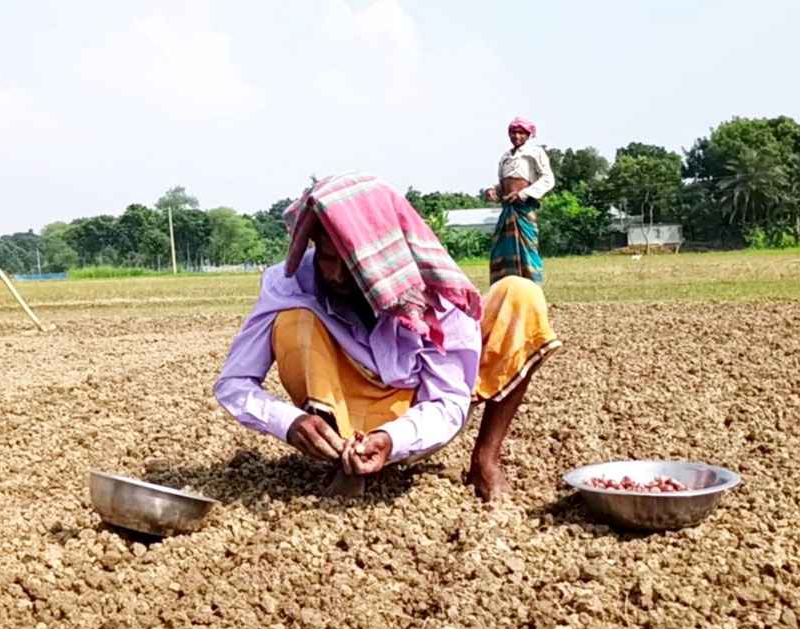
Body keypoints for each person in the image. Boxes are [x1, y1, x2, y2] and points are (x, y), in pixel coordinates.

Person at [214, 173, 562, 501]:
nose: (333, 274)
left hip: (422, 400)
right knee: (294, 320)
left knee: (520, 295)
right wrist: (289, 422)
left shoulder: (431, 288)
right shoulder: (289, 283)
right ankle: (346, 459)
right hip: (346, 395)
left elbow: (447, 401)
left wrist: (392, 439)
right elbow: (234, 382)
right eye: (325, 257)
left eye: (348, 264)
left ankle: (485, 460)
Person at [484, 116, 555, 284]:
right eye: (513, 132)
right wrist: (493, 191)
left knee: (527, 251)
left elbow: (548, 179)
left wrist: (523, 194)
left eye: (521, 133)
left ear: (528, 135)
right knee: (501, 252)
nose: (516, 136)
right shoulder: (505, 157)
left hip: (524, 210)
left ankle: (532, 290)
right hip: (507, 211)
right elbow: (503, 183)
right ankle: (505, 289)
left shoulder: (535, 152)